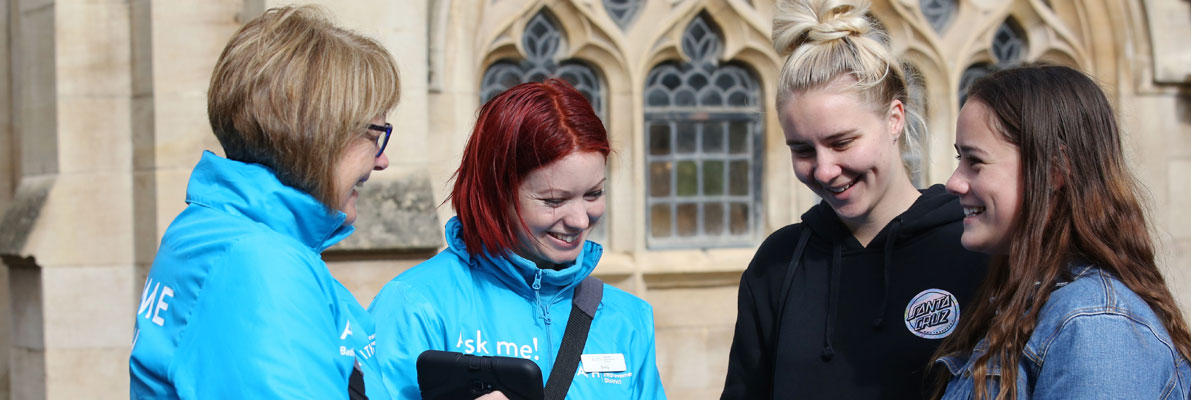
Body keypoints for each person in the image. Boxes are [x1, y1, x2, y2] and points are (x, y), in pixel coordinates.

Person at [721, 0, 988, 398]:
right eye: (803, 150)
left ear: (894, 118)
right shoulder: (778, 264)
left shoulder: (974, 249)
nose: (825, 169)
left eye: (841, 142)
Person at [129, 6, 401, 398]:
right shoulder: (262, 265)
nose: (382, 160)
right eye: (375, 135)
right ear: (318, 133)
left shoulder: (215, 229)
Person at [368, 79, 667, 399]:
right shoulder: (417, 305)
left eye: (594, 194)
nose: (580, 220)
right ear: (496, 192)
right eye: (554, 201)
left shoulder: (627, 318)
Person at [934, 65, 1191, 399]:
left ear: (1054, 170)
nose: (954, 182)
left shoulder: (1098, 323)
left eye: (975, 161)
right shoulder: (1025, 301)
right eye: (958, 158)